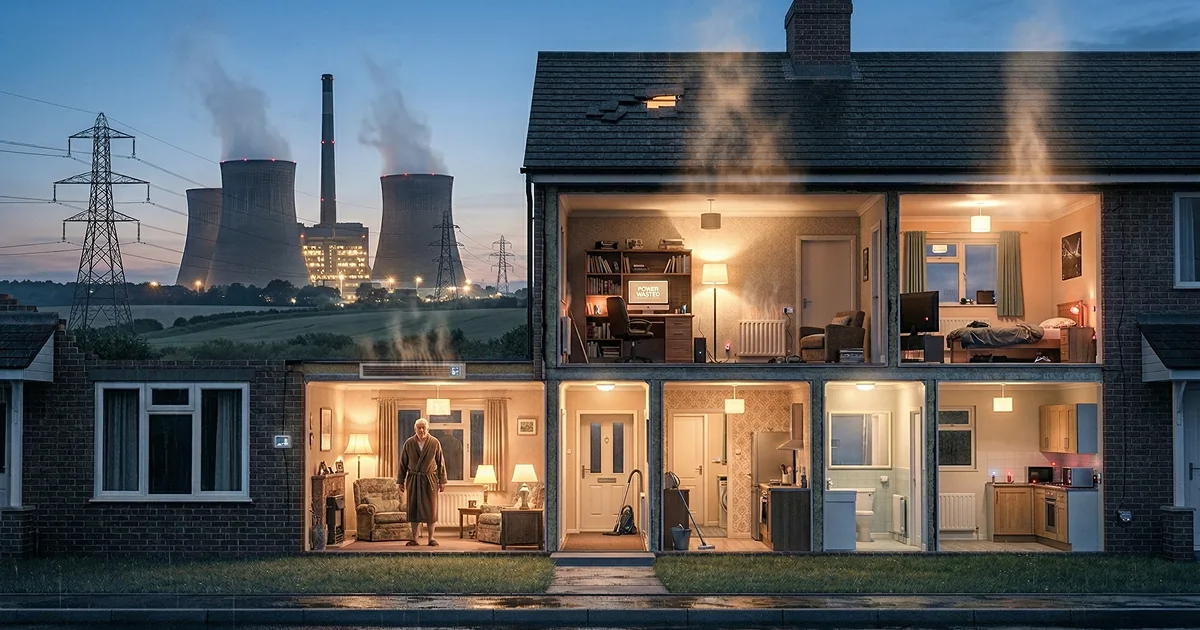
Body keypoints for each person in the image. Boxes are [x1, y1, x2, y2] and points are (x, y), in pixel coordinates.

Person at [399, 417, 447, 546]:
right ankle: (414, 539)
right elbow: (403, 463)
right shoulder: (409, 443)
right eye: (418, 428)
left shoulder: (435, 442)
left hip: (429, 479)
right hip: (413, 479)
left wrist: (442, 481)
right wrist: (400, 481)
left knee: (431, 509)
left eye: (423, 427)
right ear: (415, 429)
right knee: (413, 508)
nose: (421, 430)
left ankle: (431, 538)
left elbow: (440, 462)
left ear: (427, 428)